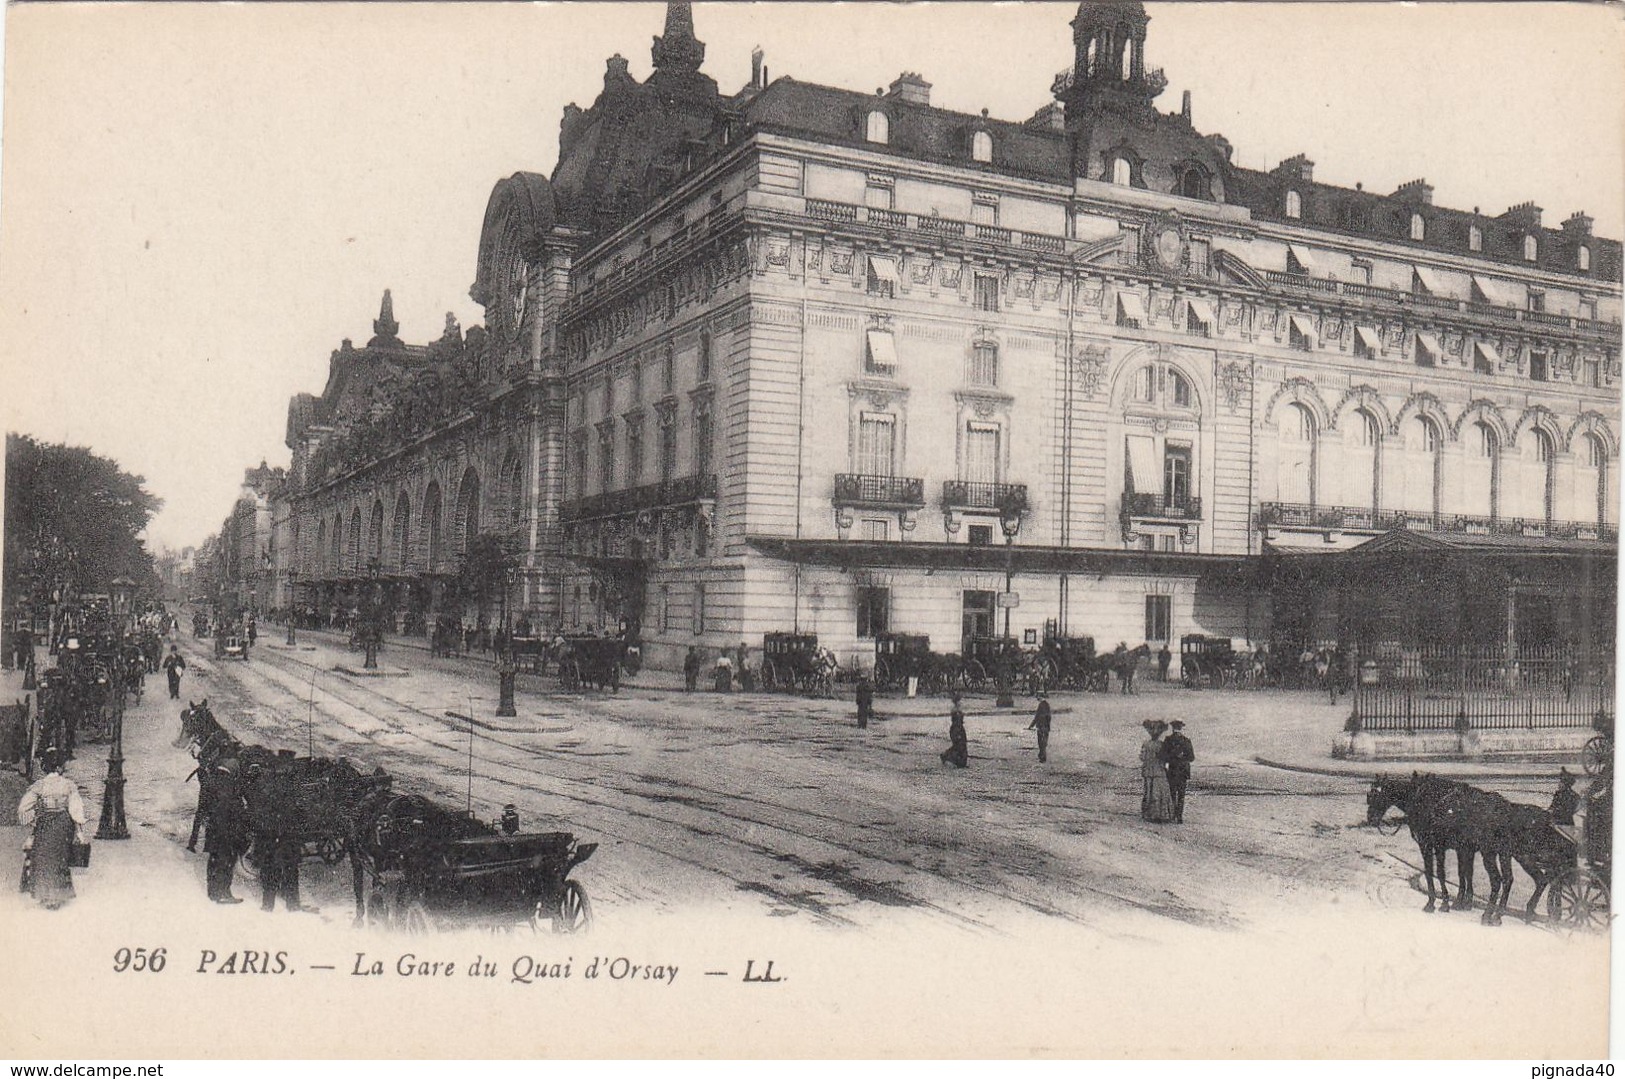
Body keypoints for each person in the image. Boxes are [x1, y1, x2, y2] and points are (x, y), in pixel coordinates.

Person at [17, 749, 87, 910]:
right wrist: (80, 831)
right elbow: (76, 810)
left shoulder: (39, 785)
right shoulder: (69, 785)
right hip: (63, 824)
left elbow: (23, 808)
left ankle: (44, 894)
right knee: (60, 858)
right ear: (60, 768)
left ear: (44, 767)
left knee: (43, 858)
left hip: (45, 823)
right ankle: (58, 895)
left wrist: (33, 818)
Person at [203, 765, 248, 904]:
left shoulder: (210, 782)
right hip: (226, 833)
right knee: (226, 863)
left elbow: (206, 808)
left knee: (214, 861)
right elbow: (232, 809)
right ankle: (224, 893)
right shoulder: (227, 784)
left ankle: (213, 893)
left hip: (214, 832)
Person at [1160, 719, 1195, 823]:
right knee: (1181, 795)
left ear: (1172, 728)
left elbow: (1163, 756)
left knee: (1172, 793)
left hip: (1172, 770)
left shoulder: (1168, 740)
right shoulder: (1186, 740)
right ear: (1181, 728)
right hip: (1183, 771)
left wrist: (1172, 757)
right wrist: (1182, 756)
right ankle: (1179, 817)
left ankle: (1173, 815)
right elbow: (1192, 758)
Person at [1139, 720, 1175, 822]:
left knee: (1149, 792)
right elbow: (1165, 758)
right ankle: (1161, 814)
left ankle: (1149, 814)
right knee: (1160, 792)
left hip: (1149, 770)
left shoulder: (1146, 744)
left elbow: (1142, 757)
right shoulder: (1161, 744)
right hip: (1159, 770)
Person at [940, 692, 968, 768]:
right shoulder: (956, 711)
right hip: (957, 729)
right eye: (960, 701)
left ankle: (955, 759)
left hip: (959, 729)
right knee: (959, 746)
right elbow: (957, 722)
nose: (962, 703)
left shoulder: (957, 710)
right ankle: (948, 756)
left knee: (960, 746)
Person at [1028, 692, 1052, 763]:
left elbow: (1037, 717)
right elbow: (1049, 716)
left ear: (1040, 697)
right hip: (1046, 726)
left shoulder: (1041, 705)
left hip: (1041, 726)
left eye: (1038, 697)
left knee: (1041, 742)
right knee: (1044, 741)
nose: (1037, 698)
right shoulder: (1047, 705)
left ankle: (1042, 756)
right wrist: (1048, 725)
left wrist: (1031, 725)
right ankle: (1042, 755)